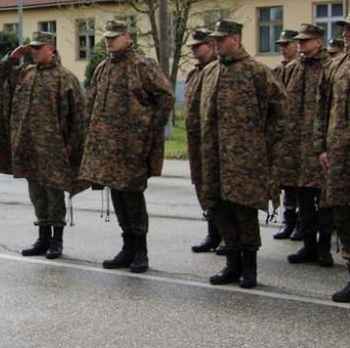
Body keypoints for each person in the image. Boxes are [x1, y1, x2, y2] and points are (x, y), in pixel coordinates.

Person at [194, 20, 285, 289]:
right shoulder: (210, 72)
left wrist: (262, 143)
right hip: (214, 156)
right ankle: (231, 263)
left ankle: (249, 267)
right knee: (219, 207)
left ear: (236, 39)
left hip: (245, 158)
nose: (216, 43)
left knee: (243, 210)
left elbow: (280, 110)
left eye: (221, 39)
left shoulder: (256, 71)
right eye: (215, 39)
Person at [79, 20, 174, 274]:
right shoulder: (103, 68)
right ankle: (127, 247)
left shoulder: (141, 66)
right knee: (117, 197)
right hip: (108, 150)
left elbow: (165, 96)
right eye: (107, 37)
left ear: (127, 38)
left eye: (115, 37)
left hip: (132, 149)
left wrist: (151, 129)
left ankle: (141, 250)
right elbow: (92, 102)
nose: (109, 40)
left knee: (133, 197)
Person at [0, 31, 87, 259]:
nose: (34, 51)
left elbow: (79, 117)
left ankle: (57, 240)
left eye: (39, 47)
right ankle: (43, 238)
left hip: (54, 149)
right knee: (37, 194)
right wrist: (13, 57)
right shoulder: (26, 73)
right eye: (32, 47)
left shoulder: (64, 78)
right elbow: (0, 73)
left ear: (51, 49)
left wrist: (71, 146)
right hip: (28, 148)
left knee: (54, 195)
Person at [281, 24, 334, 267]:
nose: (300, 45)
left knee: (325, 201)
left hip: (320, 146)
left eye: (306, 41)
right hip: (296, 149)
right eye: (299, 41)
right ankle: (308, 245)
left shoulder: (330, 67)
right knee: (303, 201)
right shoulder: (293, 69)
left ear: (319, 42)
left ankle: (324, 248)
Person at [314, 13, 350, 302]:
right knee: (342, 213)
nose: (346, 34)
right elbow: (321, 109)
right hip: (339, 157)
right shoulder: (336, 66)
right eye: (345, 29)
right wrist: (320, 147)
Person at [183, 28, 224, 254]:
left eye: (198, 45)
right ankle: (213, 233)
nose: (193, 49)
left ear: (211, 45)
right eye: (192, 46)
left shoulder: (218, 70)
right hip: (197, 142)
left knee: (218, 189)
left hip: (214, 142)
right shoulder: (194, 73)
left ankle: (228, 236)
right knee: (203, 187)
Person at [273, 29, 303, 240]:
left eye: (287, 44)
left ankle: (302, 222)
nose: (284, 49)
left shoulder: (301, 68)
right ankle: (288, 220)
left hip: (300, 135)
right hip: (282, 135)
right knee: (285, 181)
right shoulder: (277, 70)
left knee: (301, 182)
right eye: (281, 45)